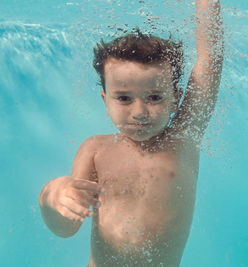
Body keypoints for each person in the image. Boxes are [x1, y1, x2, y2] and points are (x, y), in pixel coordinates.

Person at [38, 0, 224, 266]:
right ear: (105, 100)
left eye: (155, 97)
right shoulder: (95, 150)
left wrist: (208, 4)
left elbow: (210, 59)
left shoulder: (183, 138)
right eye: (124, 98)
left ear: (176, 99)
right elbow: (66, 229)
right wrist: (53, 195)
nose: (139, 112)